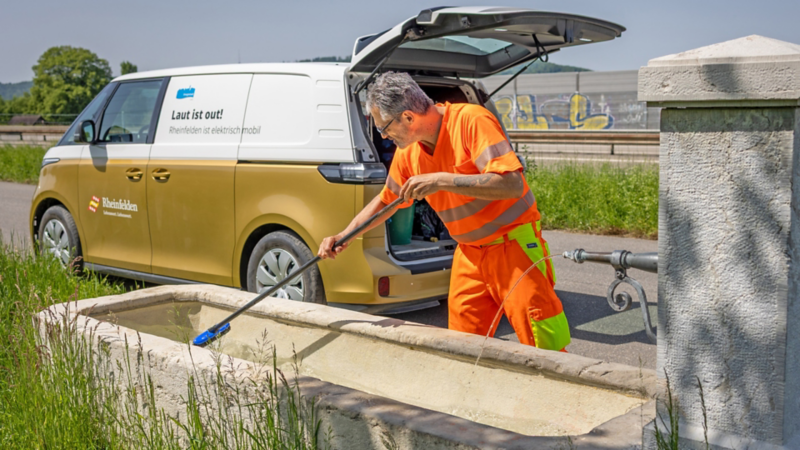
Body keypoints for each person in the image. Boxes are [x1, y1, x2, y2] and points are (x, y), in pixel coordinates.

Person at [318, 72, 570, 351]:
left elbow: (511, 184)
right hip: (469, 253)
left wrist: (440, 180)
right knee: (462, 348)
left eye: (384, 127)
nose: (384, 136)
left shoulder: (472, 121)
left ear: (408, 118)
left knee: (543, 343)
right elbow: (385, 202)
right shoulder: (408, 153)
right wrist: (344, 236)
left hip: (513, 246)